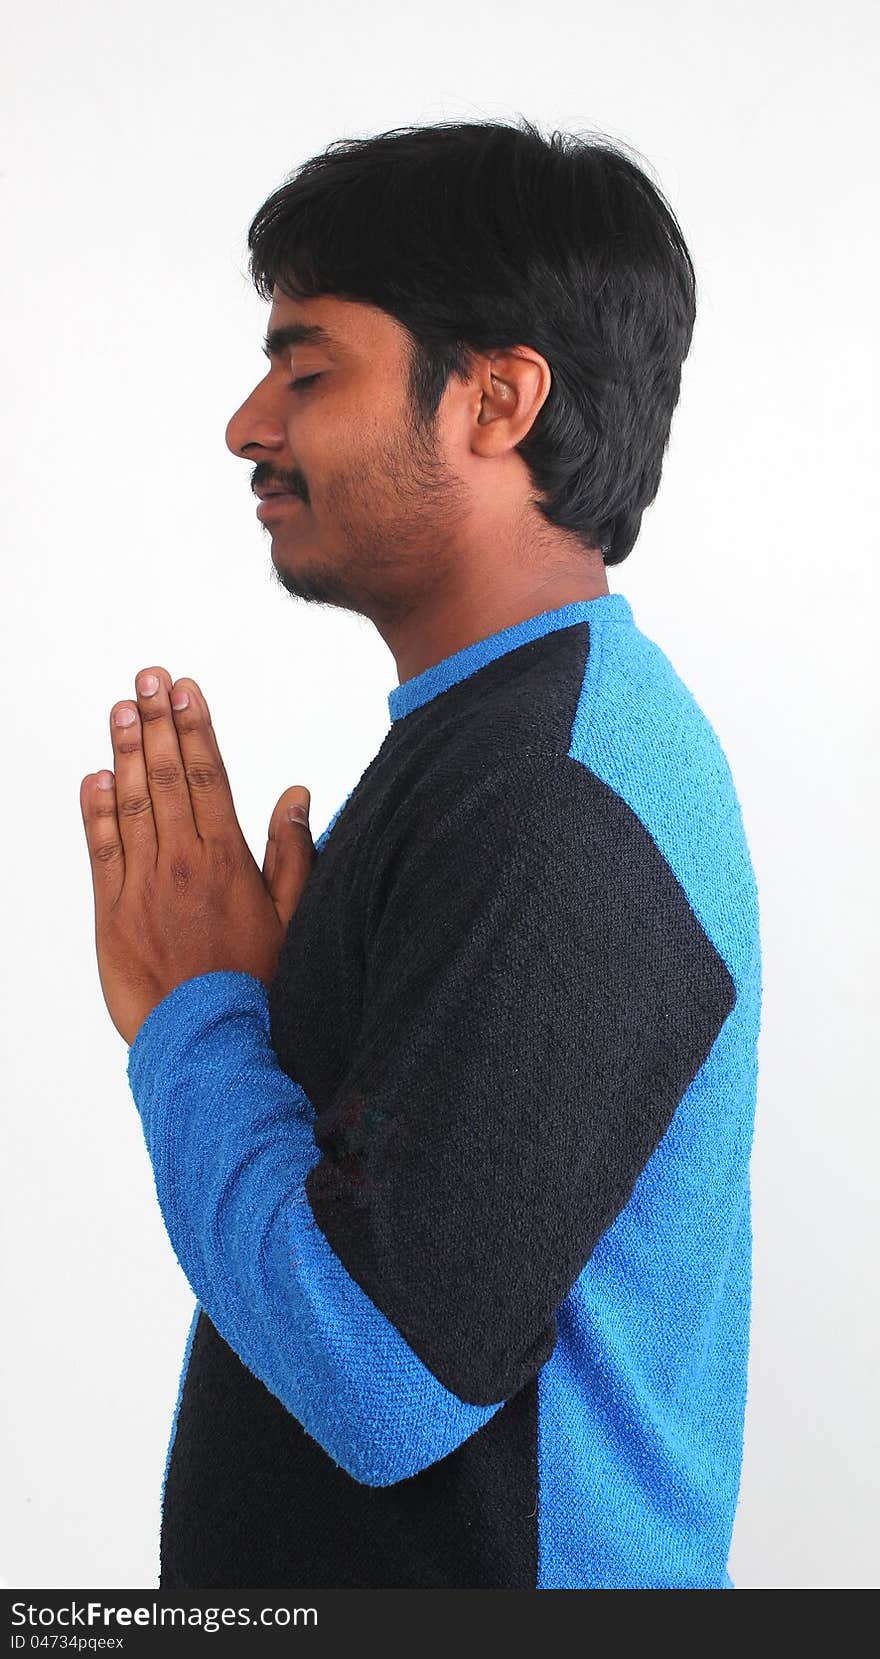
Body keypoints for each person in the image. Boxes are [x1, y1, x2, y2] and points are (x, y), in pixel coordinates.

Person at [82, 118, 762, 1589]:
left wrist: (192, 1020)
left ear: (499, 400)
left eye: (309, 370)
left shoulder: (554, 796)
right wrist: (276, 1025)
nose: (249, 424)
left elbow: (386, 1379)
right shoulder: (491, 743)